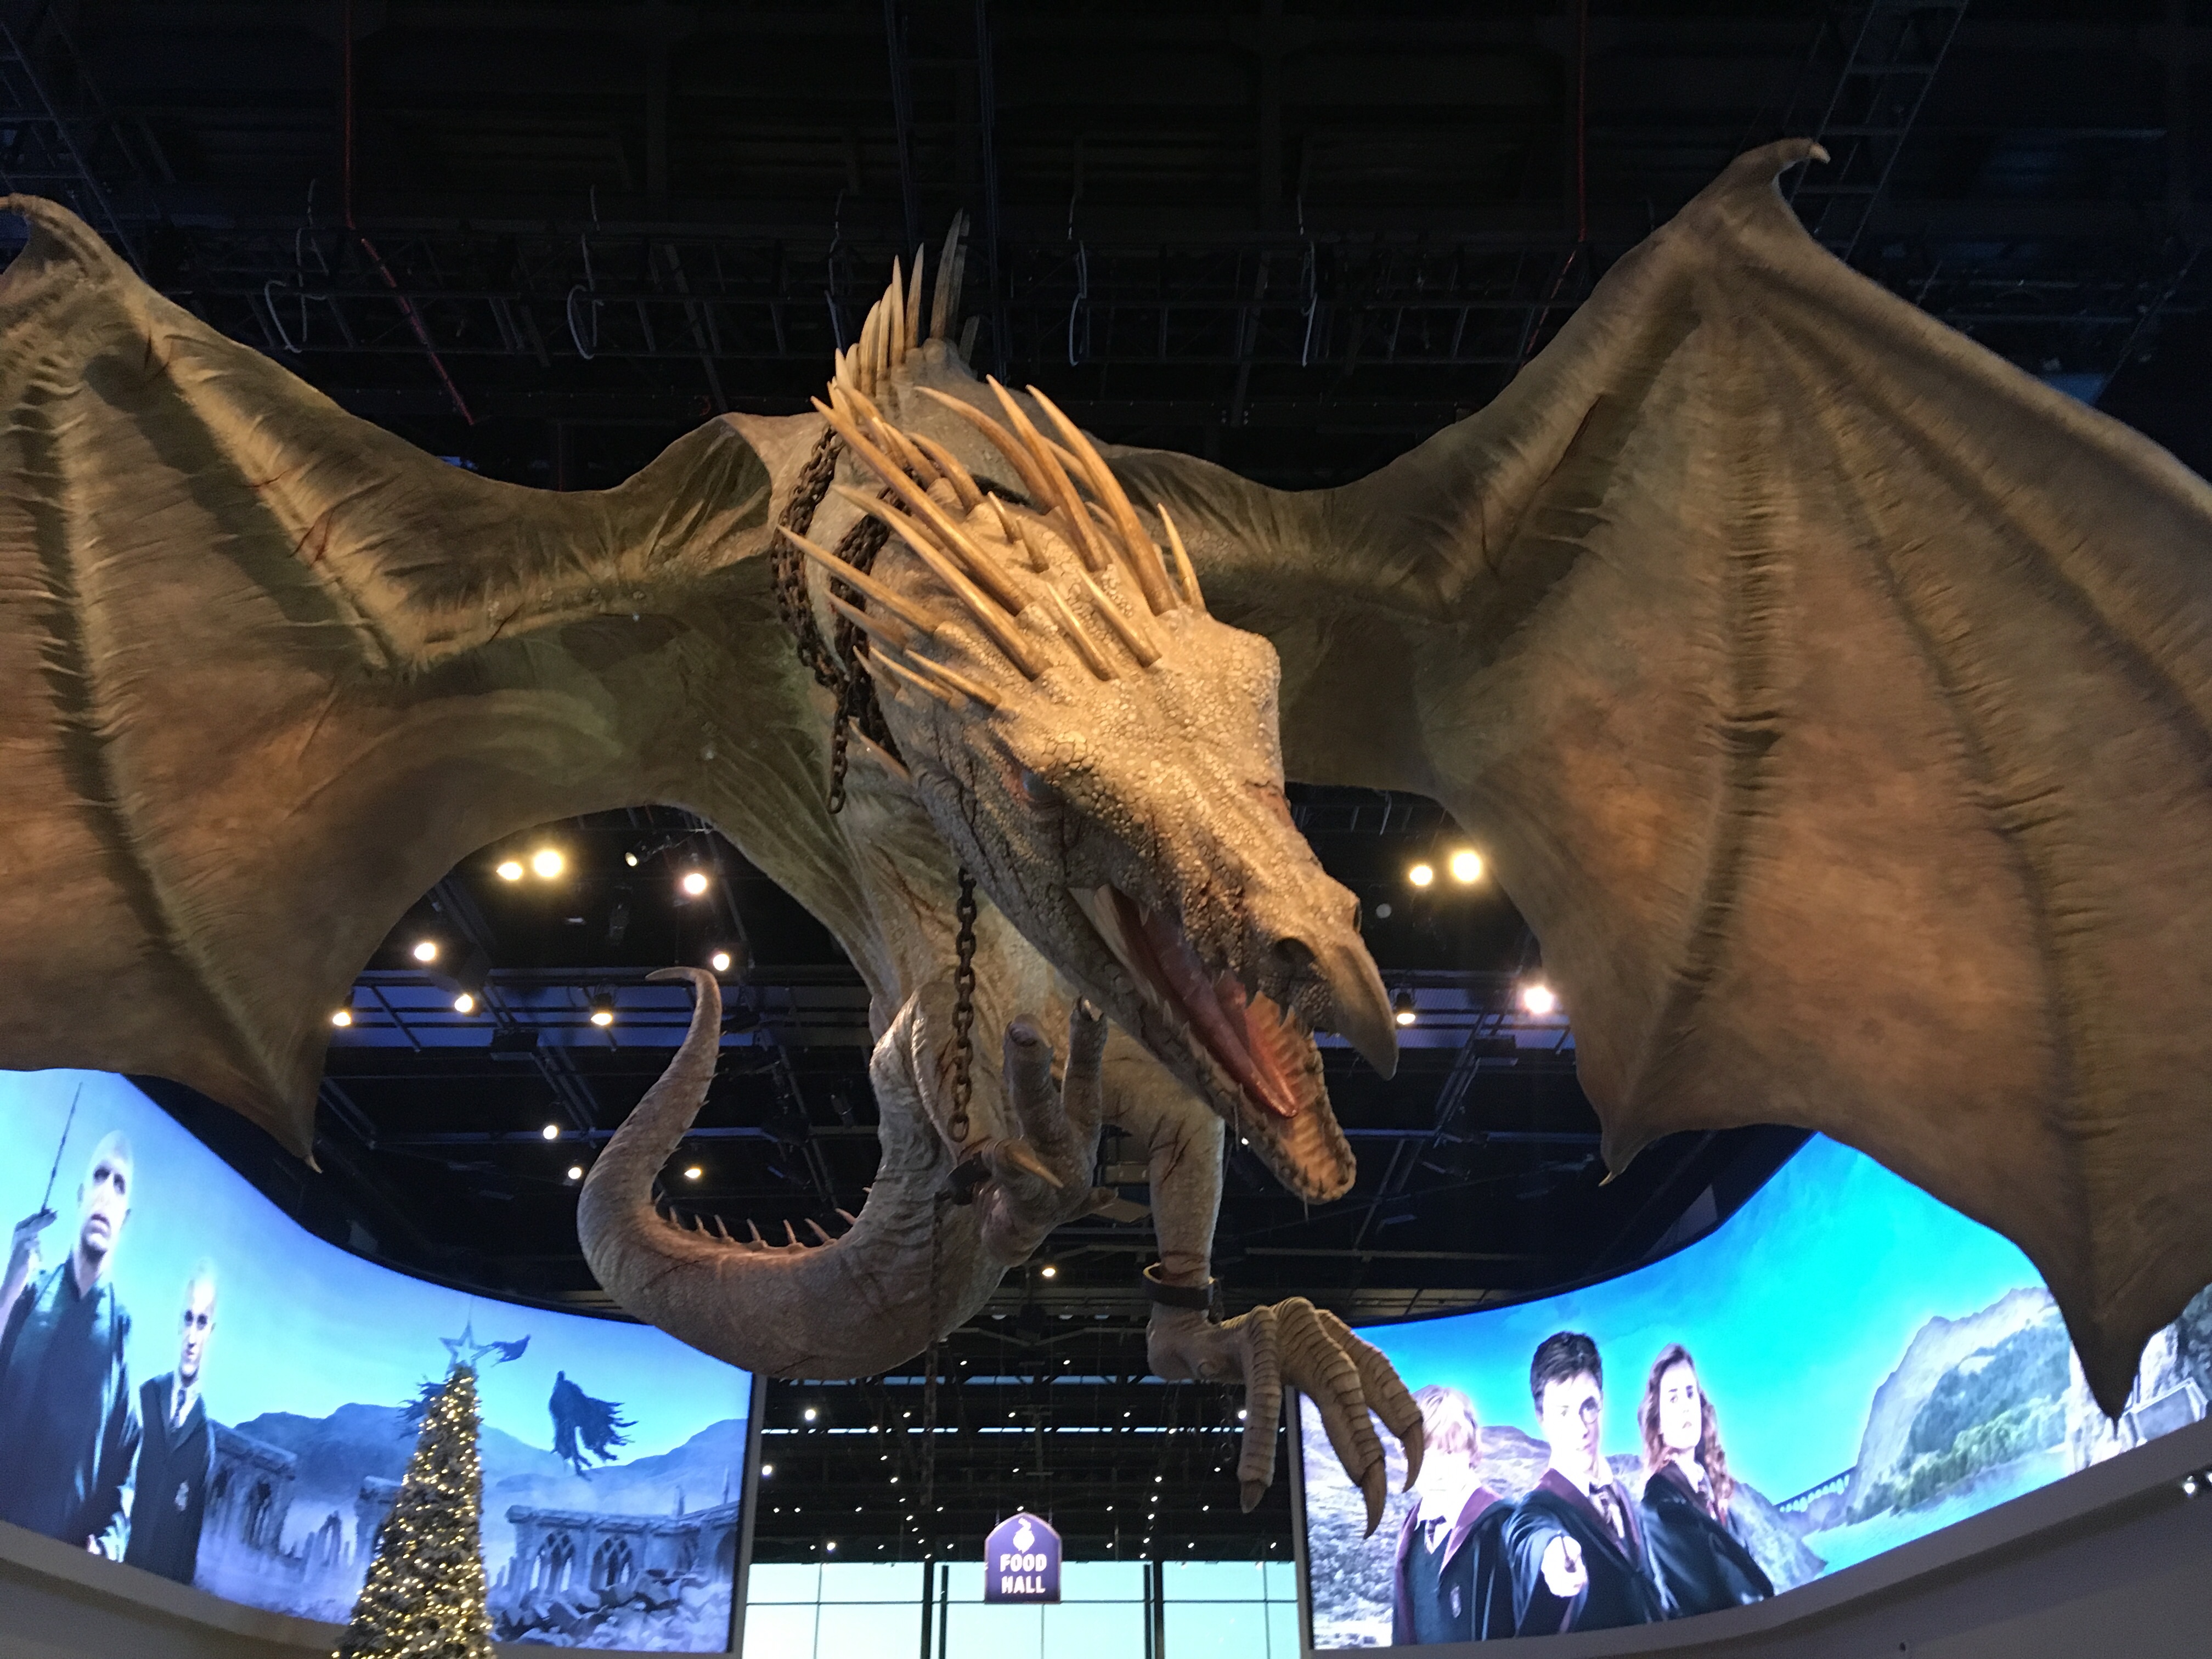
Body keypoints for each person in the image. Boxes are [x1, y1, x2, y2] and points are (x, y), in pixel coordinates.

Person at [0, 1131, 142, 1555]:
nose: (107, 1192)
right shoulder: (27, 1295)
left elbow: (124, 1475)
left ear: (125, 1218)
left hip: (53, 1573)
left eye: (120, 1184)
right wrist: (8, 1289)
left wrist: (105, 1550)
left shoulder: (120, 1331)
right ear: (81, 1195)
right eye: (100, 1176)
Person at [1504, 1331, 1663, 1635]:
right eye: (1563, 1413)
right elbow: (1528, 1535)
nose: (1580, 1428)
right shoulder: (1536, 1510)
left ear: (1602, 1403)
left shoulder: (1620, 1493)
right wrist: (1552, 1552)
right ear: (1541, 1418)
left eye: (1588, 1407)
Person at [1636, 1344, 1774, 1617]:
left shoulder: (1712, 1490)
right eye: (1673, 1399)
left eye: (1690, 1394)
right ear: (1658, 1422)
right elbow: (1706, 1595)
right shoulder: (1658, 1505)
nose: (1686, 1408)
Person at [1390, 1384, 1514, 1644]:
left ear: (1472, 1452)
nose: (1435, 1472)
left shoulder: (1502, 1525)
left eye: (1447, 1453)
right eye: (1422, 1456)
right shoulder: (1412, 1533)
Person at [122, 1264, 219, 1584]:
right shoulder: (146, 1396)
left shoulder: (204, 1440)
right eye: (189, 1319)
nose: (192, 1336)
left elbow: (190, 1536)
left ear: (211, 1331)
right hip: (113, 1569)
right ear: (179, 1322)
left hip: (157, 1589)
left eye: (202, 1322)